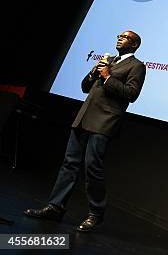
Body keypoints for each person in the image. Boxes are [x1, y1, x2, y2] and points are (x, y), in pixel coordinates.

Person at [24, 30, 146, 232]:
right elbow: (84, 87)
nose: (119, 38)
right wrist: (93, 74)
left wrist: (108, 78)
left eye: (125, 37)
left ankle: (95, 214)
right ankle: (55, 207)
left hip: (104, 121)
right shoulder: (108, 61)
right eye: (118, 36)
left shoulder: (137, 66)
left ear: (134, 45)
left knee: (92, 168)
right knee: (69, 164)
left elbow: (131, 94)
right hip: (83, 118)